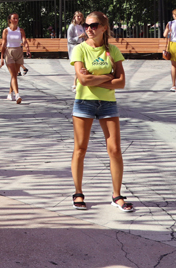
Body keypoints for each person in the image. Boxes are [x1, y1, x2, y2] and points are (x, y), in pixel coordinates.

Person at [70, 11, 132, 212]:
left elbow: (121, 82)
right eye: (87, 25)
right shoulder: (80, 50)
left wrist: (96, 78)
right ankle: (78, 193)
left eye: (94, 25)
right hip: (84, 102)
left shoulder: (112, 51)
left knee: (114, 149)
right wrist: (107, 76)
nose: (89, 29)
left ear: (104, 27)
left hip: (107, 104)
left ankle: (117, 195)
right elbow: (83, 80)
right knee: (80, 149)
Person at [0, 13, 30, 104]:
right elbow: (3, 44)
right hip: (9, 52)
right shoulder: (6, 31)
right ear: (10, 20)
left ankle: (10, 93)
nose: (16, 20)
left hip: (19, 52)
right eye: (14, 18)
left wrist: (27, 48)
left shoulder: (21, 30)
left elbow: (24, 40)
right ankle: (17, 95)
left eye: (17, 18)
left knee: (14, 75)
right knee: (13, 75)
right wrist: (1, 57)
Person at [67, 11, 86, 92]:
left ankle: (79, 83)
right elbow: (69, 39)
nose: (79, 18)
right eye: (77, 16)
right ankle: (74, 84)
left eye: (80, 16)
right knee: (78, 66)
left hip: (82, 47)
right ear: (74, 17)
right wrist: (79, 37)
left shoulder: (81, 26)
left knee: (82, 66)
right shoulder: (72, 26)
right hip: (74, 48)